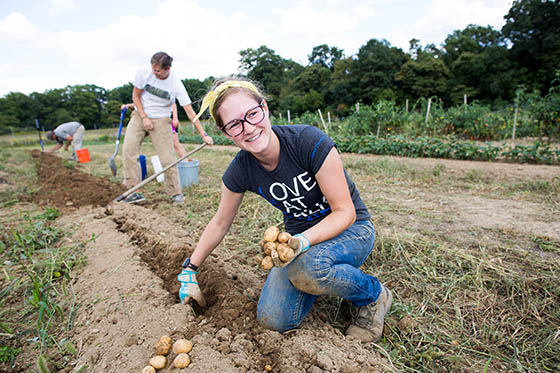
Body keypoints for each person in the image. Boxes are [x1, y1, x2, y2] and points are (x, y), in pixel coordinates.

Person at [177, 78, 392, 343]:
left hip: (351, 230)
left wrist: (302, 242)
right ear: (225, 133)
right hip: (298, 245)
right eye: (234, 124)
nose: (248, 128)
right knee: (273, 320)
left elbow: (344, 212)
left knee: (309, 268)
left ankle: (372, 295)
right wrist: (190, 269)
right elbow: (220, 223)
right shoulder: (240, 170)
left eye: (252, 114)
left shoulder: (307, 141)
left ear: (264, 107)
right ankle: (319, 280)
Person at [121, 51, 213, 204]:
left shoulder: (175, 84)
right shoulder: (143, 73)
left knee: (167, 159)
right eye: (153, 69)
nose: (154, 72)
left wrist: (203, 134)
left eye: (158, 70)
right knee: (128, 151)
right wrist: (144, 118)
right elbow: (136, 96)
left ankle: (175, 192)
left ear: (168, 69)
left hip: (162, 119)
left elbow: (190, 111)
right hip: (139, 116)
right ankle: (132, 190)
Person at [122, 102, 187, 158]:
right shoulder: (143, 92)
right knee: (162, 146)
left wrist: (175, 118)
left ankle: (186, 162)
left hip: (165, 119)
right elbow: (142, 103)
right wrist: (128, 105)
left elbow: (173, 103)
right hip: (151, 121)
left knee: (175, 143)